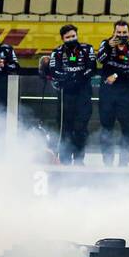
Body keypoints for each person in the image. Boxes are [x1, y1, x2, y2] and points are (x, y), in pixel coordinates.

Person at [41, 23, 96, 165]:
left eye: (73, 36)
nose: (71, 39)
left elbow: (91, 68)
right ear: (62, 38)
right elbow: (55, 72)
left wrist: (73, 77)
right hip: (65, 95)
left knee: (81, 129)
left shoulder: (87, 49)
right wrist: (73, 76)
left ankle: (79, 160)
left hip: (83, 94)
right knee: (65, 129)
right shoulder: (57, 52)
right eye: (68, 37)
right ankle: (64, 160)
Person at [96, 19, 129, 166]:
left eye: (124, 32)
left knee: (128, 129)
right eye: (119, 32)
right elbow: (100, 60)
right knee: (106, 128)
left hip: (125, 93)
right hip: (107, 93)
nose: (121, 35)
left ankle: (124, 161)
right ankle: (107, 162)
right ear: (114, 32)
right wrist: (109, 47)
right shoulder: (105, 44)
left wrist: (116, 75)